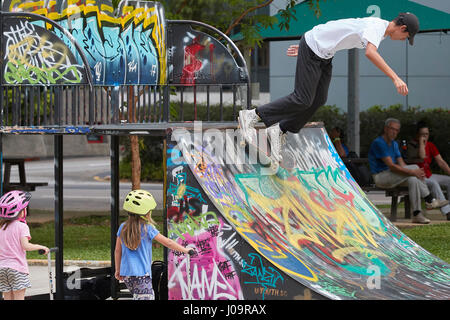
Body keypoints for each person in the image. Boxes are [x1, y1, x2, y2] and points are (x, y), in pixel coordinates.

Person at [239, 12, 420, 164]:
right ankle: (252, 115)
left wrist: (303, 49)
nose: (403, 40)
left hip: (322, 53)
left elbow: (339, 29)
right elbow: (370, 53)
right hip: (314, 48)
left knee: (319, 99)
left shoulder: (379, 31)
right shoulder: (377, 27)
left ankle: (279, 130)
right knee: (302, 98)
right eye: (406, 37)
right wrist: (395, 78)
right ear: (403, 29)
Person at [114, 189, 195, 300]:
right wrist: (185, 250)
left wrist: (118, 269)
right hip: (142, 276)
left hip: (127, 276)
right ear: (147, 212)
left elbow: (118, 250)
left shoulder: (123, 227)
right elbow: (168, 242)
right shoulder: (147, 228)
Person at [368, 118, 449, 224]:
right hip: (381, 177)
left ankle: (417, 214)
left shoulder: (394, 144)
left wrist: (415, 174)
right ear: (386, 129)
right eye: (392, 129)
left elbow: (402, 164)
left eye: (397, 130)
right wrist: (413, 171)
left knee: (413, 179)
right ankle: (429, 199)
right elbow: (392, 166)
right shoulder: (379, 143)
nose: (394, 132)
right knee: (414, 169)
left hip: (393, 176)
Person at [0, 190, 49, 300]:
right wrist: (41, 247)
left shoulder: (1, 227)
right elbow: (25, 246)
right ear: (21, 211)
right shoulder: (22, 227)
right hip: (17, 269)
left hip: (2, 269)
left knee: (7, 298)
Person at [407, 121, 450, 220]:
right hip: (419, 176)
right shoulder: (412, 145)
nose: (425, 137)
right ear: (417, 135)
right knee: (434, 183)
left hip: (428, 174)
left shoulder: (431, 145)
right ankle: (448, 211)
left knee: (449, 180)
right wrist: (422, 144)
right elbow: (422, 156)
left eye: (426, 134)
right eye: (422, 134)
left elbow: (441, 162)